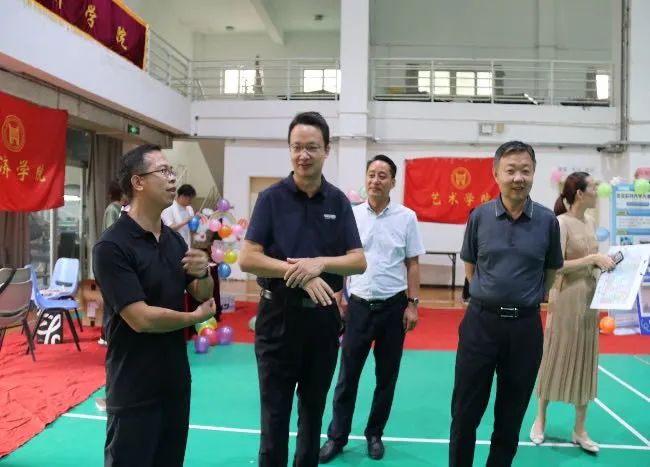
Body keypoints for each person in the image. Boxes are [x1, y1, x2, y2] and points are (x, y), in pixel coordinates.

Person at [239, 111, 367, 467]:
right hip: (276, 320)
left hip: (322, 322)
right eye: (297, 147)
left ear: (327, 150)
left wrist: (320, 264)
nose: (303, 155)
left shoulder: (338, 202)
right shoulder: (271, 198)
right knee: (274, 416)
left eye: (311, 147)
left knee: (312, 414)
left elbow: (358, 261)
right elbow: (248, 258)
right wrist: (301, 273)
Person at [93, 144, 217, 467]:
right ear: (137, 182)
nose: (172, 178)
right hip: (133, 388)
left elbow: (201, 292)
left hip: (175, 384)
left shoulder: (173, 241)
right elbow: (140, 318)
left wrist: (203, 273)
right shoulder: (112, 246)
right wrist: (194, 317)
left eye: (171, 171)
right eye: (163, 171)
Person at [450, 140, 564, 467]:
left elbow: (550, 273)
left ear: (533, 174)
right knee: (465, 414)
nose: (518, 177)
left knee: (510, 418)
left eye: (525, 171)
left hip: (525, 330)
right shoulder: (480, 217)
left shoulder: (547, 221)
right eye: (510, 170)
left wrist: (524, 298)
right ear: (496, 174)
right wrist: (492, 296)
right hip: (480, 325)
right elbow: (471, 269)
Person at [318, 154, 425, 463]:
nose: (376, 180)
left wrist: (413, 305)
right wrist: (339, 296)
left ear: (393, 182)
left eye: (382, 175)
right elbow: (342, 259)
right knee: (347, 377)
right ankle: (336, 437)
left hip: (393, 308)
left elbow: (413, 263)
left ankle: (375, 434)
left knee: (386, 377)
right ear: (366, 179)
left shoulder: (406, 217)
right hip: (358, 308)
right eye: (372, 174)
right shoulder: (352, 216)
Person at [530, 172, 615, 453]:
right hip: (565, 298)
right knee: (555, 355)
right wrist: (592, 258)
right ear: (579, 193)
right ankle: (540, 420)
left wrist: (604, 264)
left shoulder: (589, 221)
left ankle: (580, 429)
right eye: (593, 187)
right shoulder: (560, 223)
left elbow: (592, 260)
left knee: (585, 359)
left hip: (589, 298)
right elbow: (555, 265)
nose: (597, 191)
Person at [161, 184, 197, 248]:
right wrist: (184, 222)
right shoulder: (169, 208)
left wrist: (196, 220)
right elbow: (168, 229)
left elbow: (191, 229)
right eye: (190, 199)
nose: (191, 201)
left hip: (186, 245)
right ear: (183, 196)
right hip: (173, 247)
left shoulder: (189, 208)